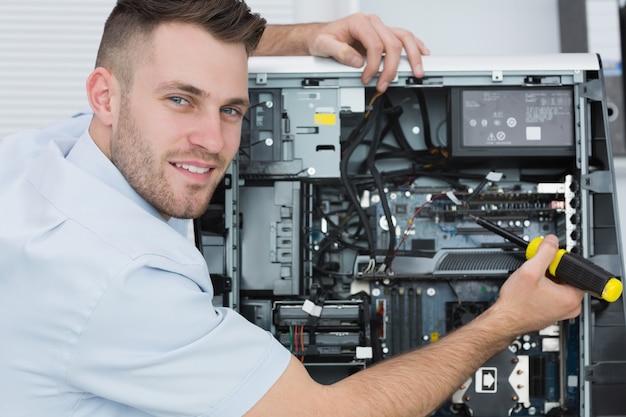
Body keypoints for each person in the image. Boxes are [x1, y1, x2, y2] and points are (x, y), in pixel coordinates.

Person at [0, 1, 583, 417]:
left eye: (232, 108)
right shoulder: (119, 281)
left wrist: (306, 37)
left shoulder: (49, 154)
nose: (211, 139)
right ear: (106, 94)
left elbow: (201, 56)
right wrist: (506, 321)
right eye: (181, 100)